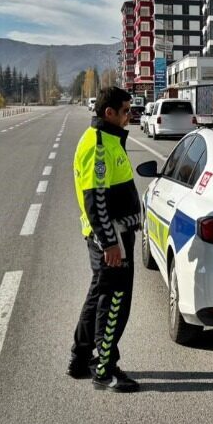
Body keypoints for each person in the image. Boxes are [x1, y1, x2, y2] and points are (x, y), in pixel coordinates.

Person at [69, 86, 143, 393]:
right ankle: (105, 369)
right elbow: (96, 200)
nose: (130, 115)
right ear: (108, 112)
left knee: (97, 295)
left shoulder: (109, 139)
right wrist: (110, 242)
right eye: (125, 111)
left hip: (113, 234)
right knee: (114, 301)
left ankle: (80, 359)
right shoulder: (99, 146)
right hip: (112, 238)